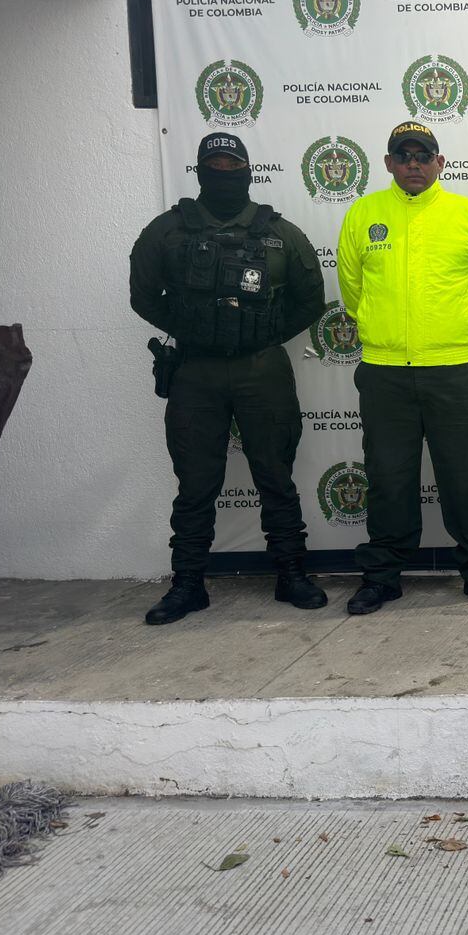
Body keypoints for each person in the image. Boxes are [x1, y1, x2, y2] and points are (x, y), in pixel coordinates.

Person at [129, 132, 327, 625]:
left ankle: (291, 574)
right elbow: (142, 295)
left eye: (232, 166)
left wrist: (264, 334)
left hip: (262, 369)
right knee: (195, 483)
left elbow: (310, 298)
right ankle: (188, 584)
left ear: (247, 171)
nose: (223, 174)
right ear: (200, 171)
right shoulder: (167, 231)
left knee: (275, 476)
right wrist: (192, 328)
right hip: (195, 370)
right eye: (214, 166)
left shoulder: (280, 233)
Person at [336, 122, 468, 615]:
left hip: (455, 368)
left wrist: (458, 329)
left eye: (423, 155)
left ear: (440, 162)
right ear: (388, 163)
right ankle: (383, 577)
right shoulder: (363, 213)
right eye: (403, 155)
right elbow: (352, 288)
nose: (414, 163)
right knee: (388, 476)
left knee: (465, 476)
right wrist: (382, 328)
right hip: (385, 371)